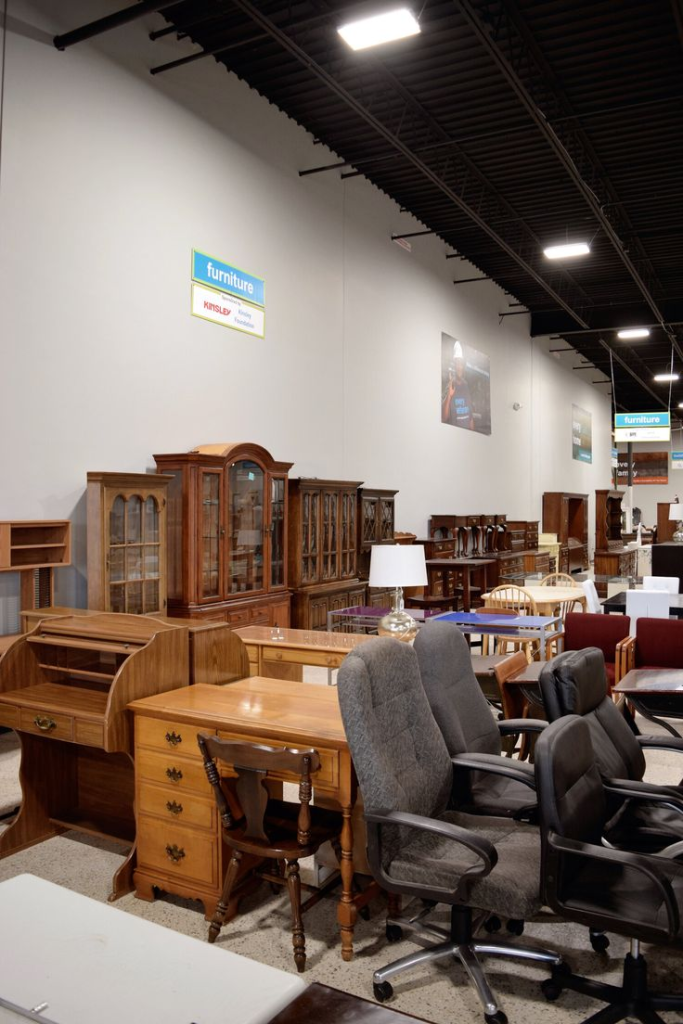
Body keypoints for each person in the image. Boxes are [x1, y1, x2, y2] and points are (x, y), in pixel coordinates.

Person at [442, 340, 475, 430]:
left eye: (461, 364)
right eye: (457, 364)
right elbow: (443, 418)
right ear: (454, 366)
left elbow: (470, 418)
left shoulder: (466, 386)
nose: (459, 367)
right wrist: (449, 395)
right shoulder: (449, 386)